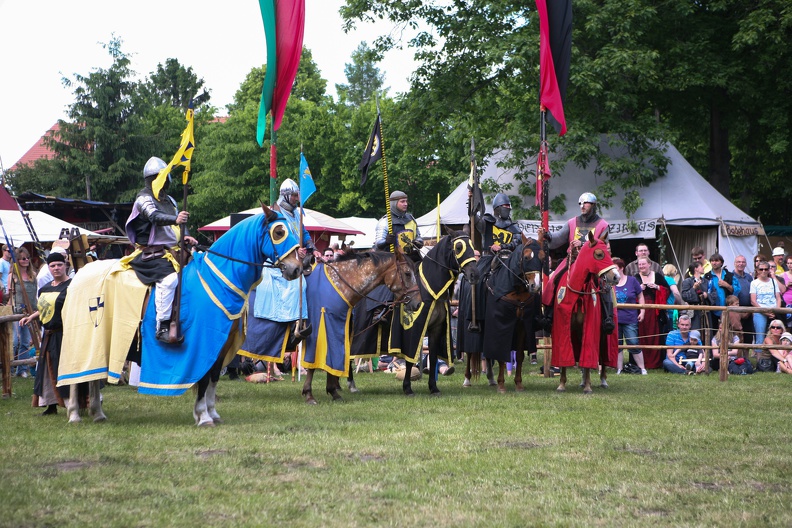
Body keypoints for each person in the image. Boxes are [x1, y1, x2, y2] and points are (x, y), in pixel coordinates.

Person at [125, 156, 198, 342]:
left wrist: (186, 234)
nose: (164, 180)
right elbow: (154, 216)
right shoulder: (143, 198)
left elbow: (179, 222)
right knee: (169, 280)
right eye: (160, 177)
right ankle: (162, 326)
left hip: (174, 251)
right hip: (151, 254)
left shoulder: (170, 200)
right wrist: (175, 219)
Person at [20, 252, 71, 415]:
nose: (56, 268)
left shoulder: (72, 287)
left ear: (65, 265)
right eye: (52, 265)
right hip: (49, 334)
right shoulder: (45, 288)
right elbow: (44, 309)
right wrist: (31, 317)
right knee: (47, 370)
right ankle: (50, 404)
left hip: (65, 334)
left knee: (63, 368)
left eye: (59, 264)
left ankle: (73, 403)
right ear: (48, 268)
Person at [546, 192, 609, 257]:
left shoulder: (603, 225)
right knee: (560, 267)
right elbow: (559, 237)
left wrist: (582, 244)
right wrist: (548, 235)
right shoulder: (572, 222)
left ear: (593, 205)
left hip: (592, 260)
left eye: (585, 203)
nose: (582, 206)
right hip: (573, 259)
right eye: (580, 203)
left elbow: (602, 246)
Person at [8, 247, 40, 378]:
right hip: (17, 311)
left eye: (27, 258)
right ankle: (9, 367)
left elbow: (35, 294)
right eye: (22, 258)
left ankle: (22, 369)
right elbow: (10, 297)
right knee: (15, 341)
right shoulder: (13, 276)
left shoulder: (33, 274)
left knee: (26, 341)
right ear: (17, 261)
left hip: (31, 311)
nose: (26, 260)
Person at [636, 256, 671, 369]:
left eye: (643, 264)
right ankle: (642, 362)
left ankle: (655, 362)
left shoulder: (658, 276)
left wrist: (657, 287)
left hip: (655, 312)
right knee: (642, 335)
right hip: (641, 311)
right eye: (639, 264)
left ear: (649, 264)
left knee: (655, 335)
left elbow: (667, 290)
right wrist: (638, 289)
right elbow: (631, 293)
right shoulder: (636, 277)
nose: (641, 266)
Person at [613, 258, 646, 374]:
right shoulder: (610, 282)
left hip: (631, 318)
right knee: (617, 344)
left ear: (621, 268)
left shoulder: (632, 281)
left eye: (615, 268)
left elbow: (641, 297)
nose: (614, 271)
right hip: (615, 318)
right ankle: (619, 369)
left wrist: (642, 311)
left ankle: (642, 369)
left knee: (633, 342)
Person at [374, 190, 424, 258]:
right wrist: (386, 242)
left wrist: (418, 242)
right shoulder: (385, 221)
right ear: (394, 203)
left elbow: (418, 236)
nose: (406, 204)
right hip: (391, 259)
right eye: (402, 201)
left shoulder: (411, 219)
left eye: (406, 201)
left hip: (409, 258)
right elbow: (378, 244)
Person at [750, 260, 782, 356]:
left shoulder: (773, 282)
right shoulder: (754, 283)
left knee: (777, 335)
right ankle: (760, 360)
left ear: (769, 270)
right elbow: (753, 301)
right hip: (760, 312)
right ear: (757, 270)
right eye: (761, 269)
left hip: (774, 310)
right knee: (760, 336)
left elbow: (778, 298)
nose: (763, 271)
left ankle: (777, 358)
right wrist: (765, 312)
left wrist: (777, 310)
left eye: (766, 269)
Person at [706, 253, 740, 329]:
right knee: (714, 331)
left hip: (728, 309)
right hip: (713, 309)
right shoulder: (707, 276)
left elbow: (737, 290)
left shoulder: (729, 275)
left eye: (716, 261)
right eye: (712, 261)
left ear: (721, 262)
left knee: (729, 331)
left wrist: (727, 285)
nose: (714, 263)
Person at [732, 255, 755, 346]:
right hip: (736, 310)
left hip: (748, 310)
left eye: (743, 262)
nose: (740, 264)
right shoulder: (731, 276)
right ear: (734, 263)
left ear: (746, 264)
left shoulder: (749, 277)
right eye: (738, 262)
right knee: (737, 335)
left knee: (748, 336)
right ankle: (737, 357)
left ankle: (746, 358)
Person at [680, 261, 710, 331]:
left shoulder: (706, 281)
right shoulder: (687, 281)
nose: (703, 268)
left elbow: (714, 294)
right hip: (693, 312)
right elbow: (684, 296)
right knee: (694, 332)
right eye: (701, 266)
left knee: (707, 332)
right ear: (696, 269)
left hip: (706, 312)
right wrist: (693, 288)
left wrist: (707, 295)